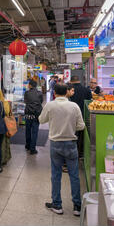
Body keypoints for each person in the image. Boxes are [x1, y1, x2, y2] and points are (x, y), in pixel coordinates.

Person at [39, 83, 85, 216]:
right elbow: (81, 126)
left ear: (54, 93)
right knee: (74, 175)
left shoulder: (50, 105)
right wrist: (69, 127)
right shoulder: (74, 106)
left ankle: (57, 205)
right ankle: (77, 207)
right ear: (66, 92)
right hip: (71, 143)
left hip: (55, 144)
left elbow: (41, 120)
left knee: (56, 175)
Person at [68, 75, 92, 158]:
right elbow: (90, 103)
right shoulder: (87, 90)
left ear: (71, 81)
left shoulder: (69, 90)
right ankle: (80, 153)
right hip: (83, 115)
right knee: (81, 135)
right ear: (79, 80)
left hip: (70, 116)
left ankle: (70, 154)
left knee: (71, 135)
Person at [24, 79, 44, 155]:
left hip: (28, 113)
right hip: (36, 114)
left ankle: (27, 145)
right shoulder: (40, 93)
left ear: (30, 85)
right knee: (35, 131)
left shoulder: (26, 93)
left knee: (28, 130)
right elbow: (41, 101)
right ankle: (33, 149)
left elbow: (25, 101)